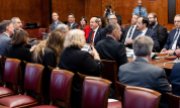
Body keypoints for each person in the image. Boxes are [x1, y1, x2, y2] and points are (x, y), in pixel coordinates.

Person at [59, 29, 102, 108]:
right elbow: (97, 70)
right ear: (79, 39)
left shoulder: (64, 52)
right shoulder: (83, 55)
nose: (85, 40)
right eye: (83, 38)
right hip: (79, 92)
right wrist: (97, 57)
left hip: (65, 89)